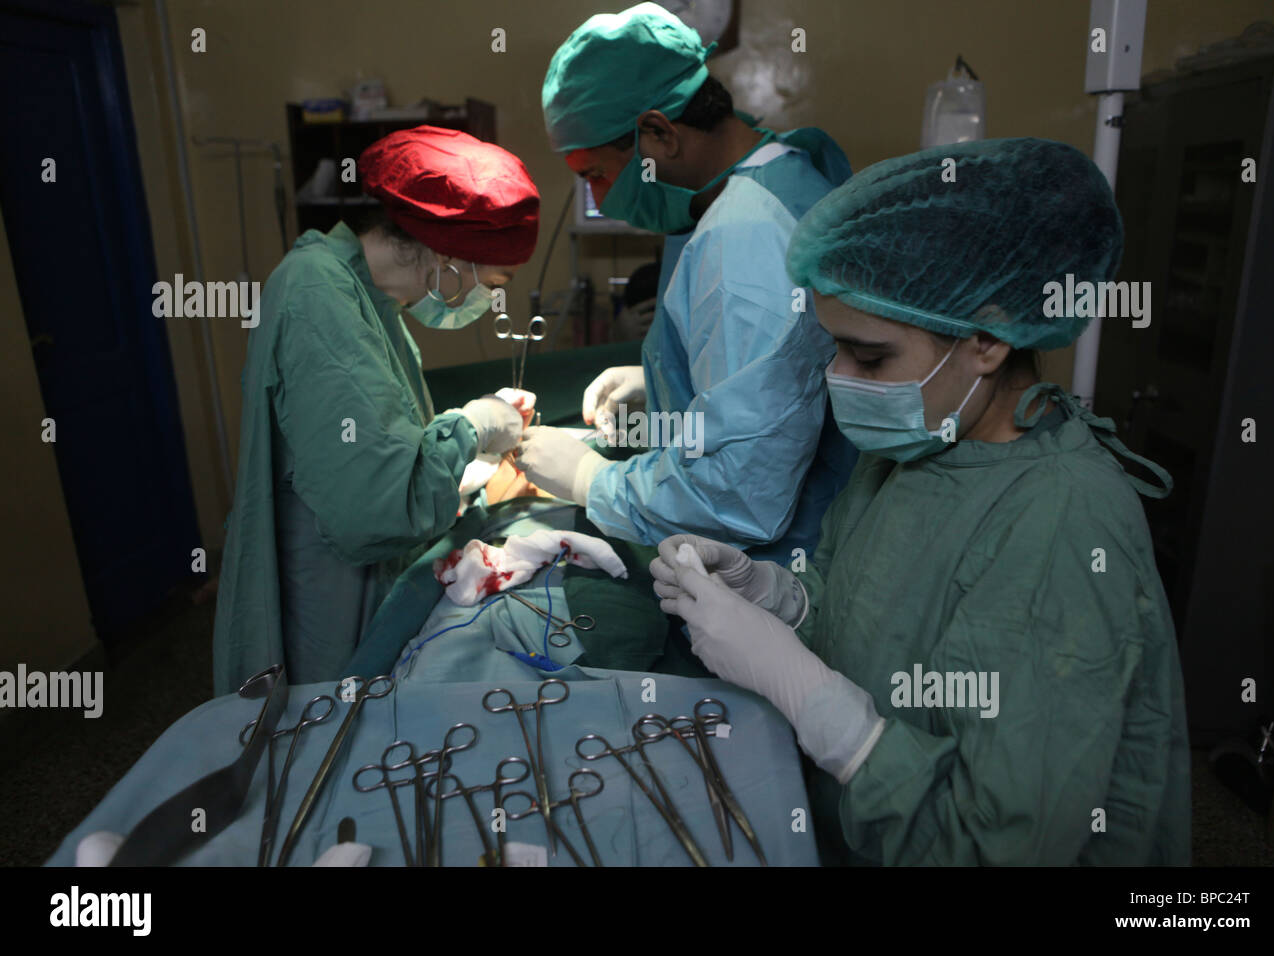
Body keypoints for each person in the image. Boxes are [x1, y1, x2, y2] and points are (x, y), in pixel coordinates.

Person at [650, 138, 1192, 865]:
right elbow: (870, 605)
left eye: (870, 357)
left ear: (987, 339)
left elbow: (997, 848)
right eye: (832, 348)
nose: (841, 377)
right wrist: (776, 598)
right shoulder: (917, 444)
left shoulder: (1062, 525)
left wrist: (817, 704)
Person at [516, 2, 858, 564]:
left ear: (658, 133)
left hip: (774, 579)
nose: (600, 201)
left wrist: (590, 480)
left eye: (595, 175)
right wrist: (671, 376)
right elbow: (790, 367)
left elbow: (742, 492)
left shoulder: (743, 235)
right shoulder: (784, 164)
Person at [213, 126, 540, 694]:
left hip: (366, 570)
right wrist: (476, 423)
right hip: (330, 592)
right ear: (445, 253)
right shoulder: (317, 294)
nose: (486, 297)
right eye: (491, 281)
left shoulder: (368, 294)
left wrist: (461, 467)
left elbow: (379, 445)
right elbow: (379, 504)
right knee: (327, 741)